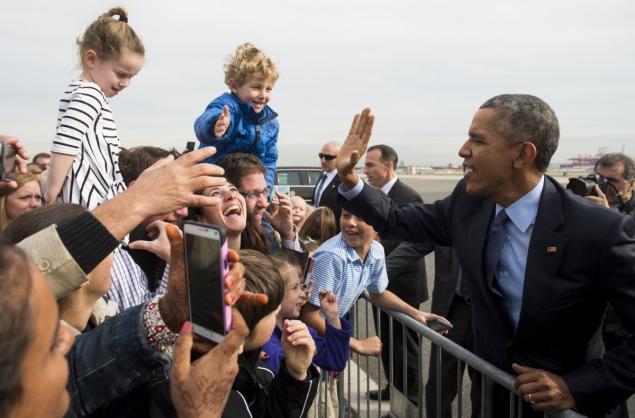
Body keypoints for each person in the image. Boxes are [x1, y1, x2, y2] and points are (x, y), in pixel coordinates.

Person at [335, 100, 635, 417]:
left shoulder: (598, 230)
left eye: (478, 140)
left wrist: (576, 386)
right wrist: (350, 178)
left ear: (523, 154)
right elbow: (397, 219)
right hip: (495, 399)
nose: (463, 150)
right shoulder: (468, 204)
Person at [301, 209, 449, 356]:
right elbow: (309, 316)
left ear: (379, 224)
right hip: (305, 342)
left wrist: (416, 314)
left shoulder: (377, 250)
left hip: (325, 341)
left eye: (361, 217)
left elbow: (378, 293)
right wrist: (358, 345)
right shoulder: (331, 257)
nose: (350, 223)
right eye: (346, 215)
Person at [45, 7, 145, 210]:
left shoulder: (84, 92)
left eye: (130, 77)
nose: (125, 83)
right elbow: (66, 144)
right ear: (91, 59)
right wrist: (50, 193)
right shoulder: (90, 94)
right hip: (85, 200)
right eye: (121, 74)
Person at [363, 144, 430, 403]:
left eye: (370, 165)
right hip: (380, 285)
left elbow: (417, 243)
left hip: (402, 286)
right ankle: (394, 390)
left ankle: (410, 402)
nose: (365, 170)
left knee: (406, 350)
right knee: (389, 346)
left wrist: (382, 267)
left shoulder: (409, 197)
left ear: (388, 166)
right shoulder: (373, 195)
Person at [4, 203, 116, 333]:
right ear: (76, 267)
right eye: (105, 246)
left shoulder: (107, 318)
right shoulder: (50, 350)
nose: (113, 253)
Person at [106, 146, 189, 310]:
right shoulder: (112, 259)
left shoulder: (180, 238)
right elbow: (145, 328)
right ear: (137, 191)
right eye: (172, 196)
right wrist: (178, 263)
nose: (183, 211)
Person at [194, 43, 280, 187]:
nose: (263, 95)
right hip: (216, 181)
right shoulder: (227, 106)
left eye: (268, 89)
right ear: (234, 86)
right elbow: (203, 122)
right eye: (256, 87)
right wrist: (216, 124)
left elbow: (269, 161)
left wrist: (266, 189)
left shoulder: (270, 124)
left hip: (247, 187)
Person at [263, 254, 351, 374]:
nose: (303, 294)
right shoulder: (263, 336)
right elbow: (284, 371)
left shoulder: (297, 328)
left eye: (301, 286)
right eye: (295, 288)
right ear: (274, 292)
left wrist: (333, 318)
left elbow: (335, 362)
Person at [425, 245, 480, 418]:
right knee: (437, 389)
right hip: (449, 311)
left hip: (486, 318)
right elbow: (415, 244)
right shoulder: (448, 218)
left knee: (484, 392)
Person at [217, 153, 302, 253]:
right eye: (252, 194)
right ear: (230, 196)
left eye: (265, 191)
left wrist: (287, 235)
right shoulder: (219, 242)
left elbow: (289, 268)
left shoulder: (266, 230)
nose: (264, 203)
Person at [587, 153, 635, 217]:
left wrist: (607, 215)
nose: (602, 184)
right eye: (599, 178)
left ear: (631, 184)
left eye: (612, 180)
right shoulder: (587, 200)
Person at [313, 141, 342, 224]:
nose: (323, 160)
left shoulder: (342, 181)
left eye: (328, 157)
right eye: (321, 156)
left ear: (340, 158)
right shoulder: (322, 177)